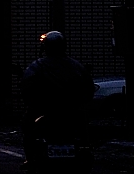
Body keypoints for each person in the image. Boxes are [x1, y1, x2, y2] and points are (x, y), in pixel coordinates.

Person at [20, 30, 93, 160]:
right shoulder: (75, 66)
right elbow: (88, 88)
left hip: (45, 109)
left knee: (28, 128)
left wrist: (31, 101)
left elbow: (27, 86)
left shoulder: (38, 66)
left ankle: (31, 158)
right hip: (71, 110)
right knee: (84, 129)